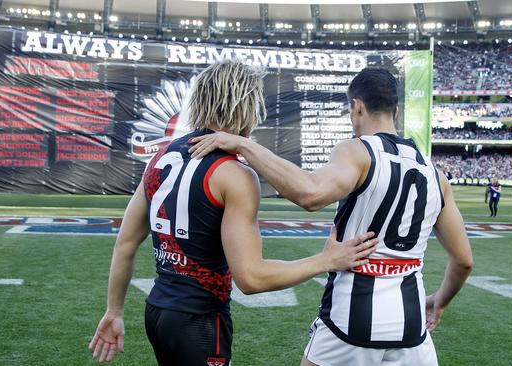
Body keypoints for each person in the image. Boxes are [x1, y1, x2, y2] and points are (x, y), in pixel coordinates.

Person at [88, 60, 378, 365]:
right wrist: (325, 260)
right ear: (246, 105)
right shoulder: (235, 174)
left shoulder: (161, 157)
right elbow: (251, 279)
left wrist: (114, 311)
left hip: (158, 312)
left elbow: (125, 242)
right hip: (199, 321)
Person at [190, 67, 474, 366]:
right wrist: (439, 302)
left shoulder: (358, 151)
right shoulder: (436, 174)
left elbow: (310, 194)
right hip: (411, 328)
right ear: (397, 109)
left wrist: (244, 144)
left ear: (356, 106)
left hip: (351, 320)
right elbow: (464, 260)